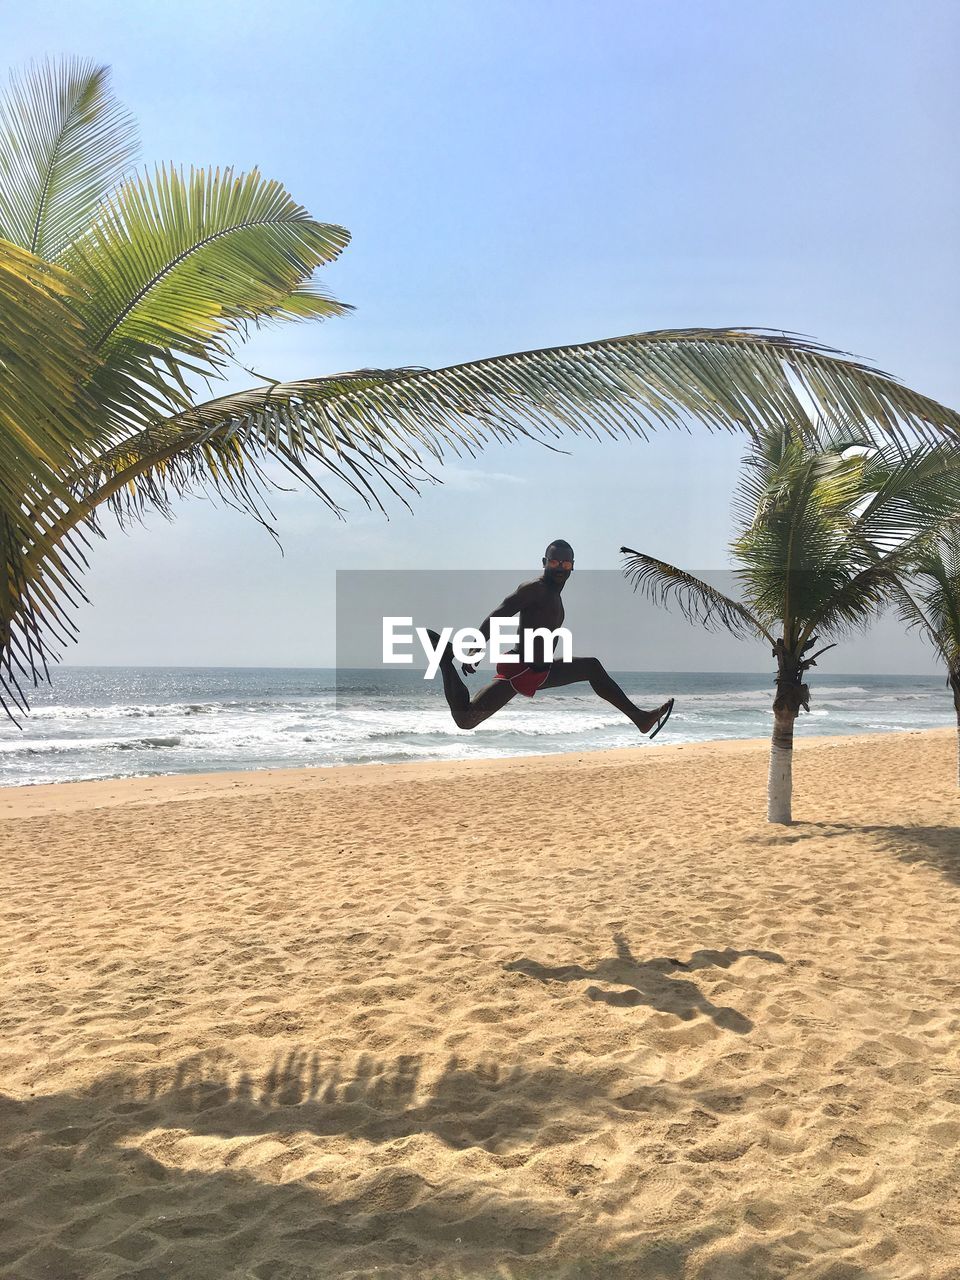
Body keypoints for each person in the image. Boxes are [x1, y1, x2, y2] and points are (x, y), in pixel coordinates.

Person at [426, 539, 674, 735]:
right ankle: (446, 660)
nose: (560, 567)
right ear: (545, 561)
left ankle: (640, 719)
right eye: (555, 562)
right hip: (522, 670)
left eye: (566, 564)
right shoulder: (535, 589)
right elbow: (501, 613)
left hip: (542, 670)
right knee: (465, 719)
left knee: (592, 667)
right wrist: (475, 648)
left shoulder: (555, 596)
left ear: (573, 566)